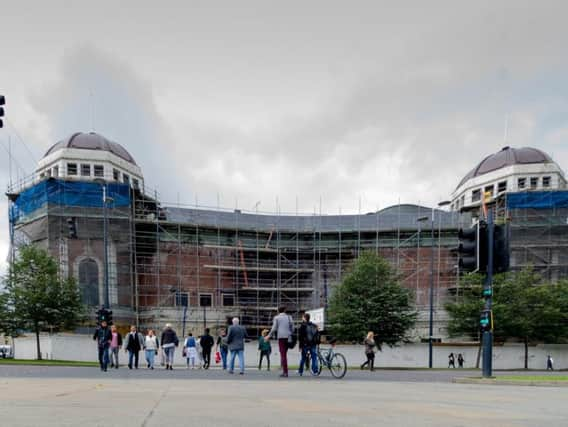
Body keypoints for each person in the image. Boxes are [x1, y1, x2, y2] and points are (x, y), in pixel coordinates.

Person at [267, 306, 294, 378]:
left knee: (283, 355)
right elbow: (292, 327)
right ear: (285, 310)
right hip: (288, 337)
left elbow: (274, 328)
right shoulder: (289, 317)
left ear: (278, 311)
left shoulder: (276, 318)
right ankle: (284, 369)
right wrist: (290, 333)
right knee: (285, 354)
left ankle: (285, 372)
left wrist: (268, 336)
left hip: (281, 337)